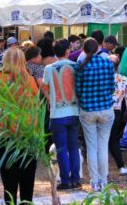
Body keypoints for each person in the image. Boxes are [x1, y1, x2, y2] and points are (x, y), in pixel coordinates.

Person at [0, 47, 39, 204]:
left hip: (3, 137)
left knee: (9, 187)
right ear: (22, 61)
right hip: (27, 137)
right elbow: (36, 109)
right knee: (27, 188)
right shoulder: (29, 80)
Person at [75, 38, 115, 192]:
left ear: (83, 50)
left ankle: (94, 181)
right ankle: (103, 181)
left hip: (87, 110)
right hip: (106, 109)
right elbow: (112, 87)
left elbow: (78, 91)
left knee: (91, 146)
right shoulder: (107, 63)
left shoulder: (81, 65)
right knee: (102, 147)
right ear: (98, 47)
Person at [42, 39, 81, 190]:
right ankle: (75, 179)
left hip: (57, 114)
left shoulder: (49, 68)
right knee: (73, 147)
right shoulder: (75, 66)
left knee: (61, 149)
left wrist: (50, 99)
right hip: (74, 112)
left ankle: (65, 180)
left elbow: (44, 87)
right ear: (67, 51)